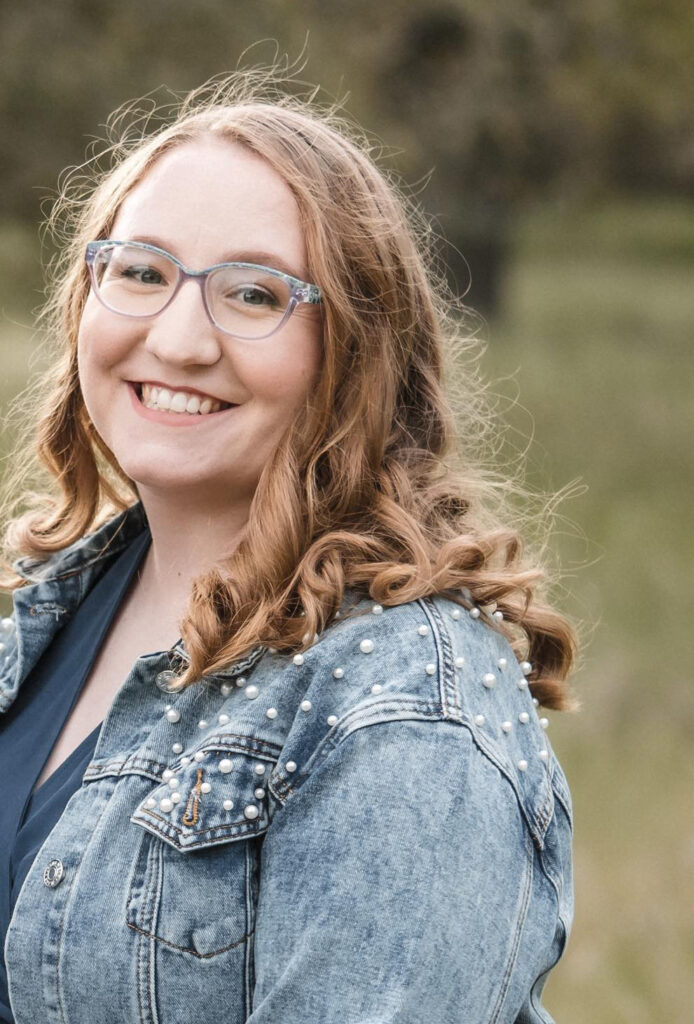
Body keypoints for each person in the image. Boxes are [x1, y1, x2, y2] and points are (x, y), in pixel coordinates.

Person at [0, 70, 576, 1024]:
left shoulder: (402, 711)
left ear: (355, 349)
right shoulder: (50, 615)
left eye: (254, 294)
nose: (179, 339)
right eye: (140, 271)